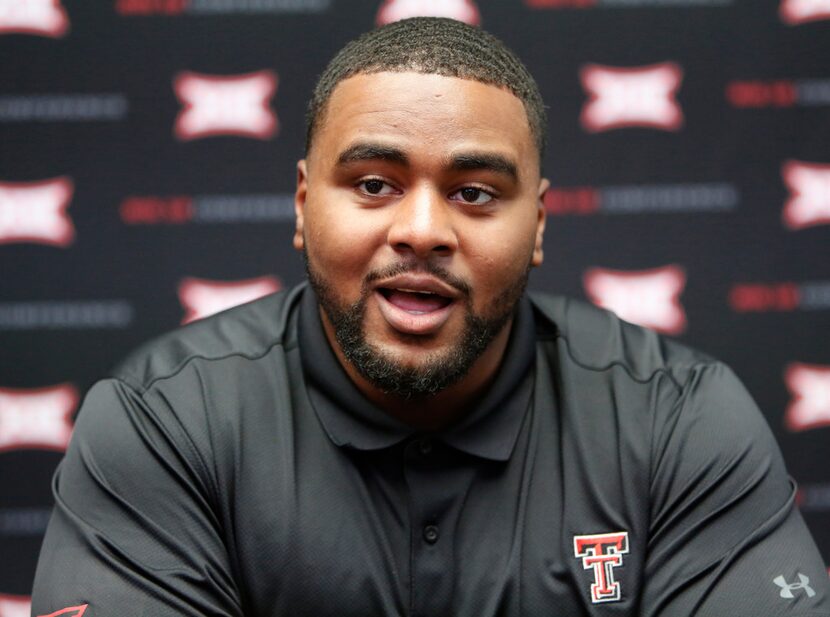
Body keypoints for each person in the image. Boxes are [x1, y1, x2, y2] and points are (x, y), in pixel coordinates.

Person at [31, 17, 828, 617]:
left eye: (475, 192)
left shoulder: (676, 418)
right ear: (305, 206)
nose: (421, 230)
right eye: (374, 183)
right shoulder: (165, 422)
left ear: (540, 225)